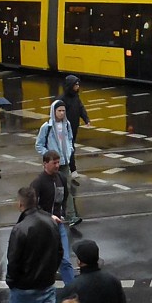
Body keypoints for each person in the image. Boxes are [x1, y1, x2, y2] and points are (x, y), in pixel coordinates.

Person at [0, 186, 62, 303]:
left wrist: (12, 282)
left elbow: (14, 260)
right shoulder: (50, 221)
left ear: (20, 204)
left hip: (25, 289)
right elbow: (59, 251)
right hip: (47, 285)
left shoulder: (20, 229)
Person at [31, 150, 76, 286]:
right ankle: (40, 286)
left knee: (65, 260)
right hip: (42, 227)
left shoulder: (61, 178)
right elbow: (32, 206)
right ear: (45, 163)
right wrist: (48, 216)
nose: (57, 165)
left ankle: (72, 289)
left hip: (58, 226)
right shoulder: (38, 182)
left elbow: (65, 196)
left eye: (58, 162)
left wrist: (61, 212)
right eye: (54, 163)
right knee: (42, 260)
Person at [58, 75, 91, 224]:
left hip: (73, 127)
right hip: (66, 129)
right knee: (69, 149)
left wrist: (86, 118)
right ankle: (72, 168)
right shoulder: (62, 99)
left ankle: (72, 168)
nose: (78, 86)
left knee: (72, 148)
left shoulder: (76, 97)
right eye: (76, 84)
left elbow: (81, 107)